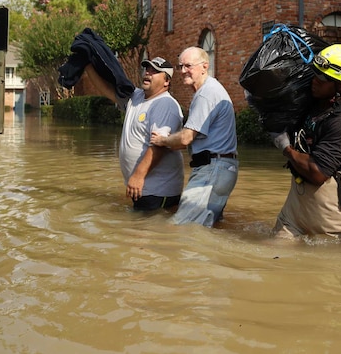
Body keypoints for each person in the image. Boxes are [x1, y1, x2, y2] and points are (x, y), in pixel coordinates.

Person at [269, 44, 341, 242]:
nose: (314, 81)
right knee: (271, 261)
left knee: (327, 270)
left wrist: (286, 148)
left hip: (331, 223)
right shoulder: (313, 104)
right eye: (315, 73)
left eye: (322, 78)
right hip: (295, 211)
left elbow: (318, 172)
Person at [79, 55, 184, 211]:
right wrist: (87, 66)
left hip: (159, 191)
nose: (148, 73)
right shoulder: (136, 97)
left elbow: (159, 145)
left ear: (166, 81)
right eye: (147, 69)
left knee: (151, 232)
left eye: (155, 71)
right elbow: (108, 90)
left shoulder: (166, 104)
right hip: (143, 189)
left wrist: (138, 176)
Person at [149, 47, 238, 227]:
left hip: (213, 170)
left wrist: (162, 140)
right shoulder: (211, 89)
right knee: (207, 229)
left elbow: (185, 138)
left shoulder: (206, 94)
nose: (182, 71)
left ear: (204, 66)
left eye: (188, 66)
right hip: (220, 169)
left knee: (180, 229)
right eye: (180, 66)